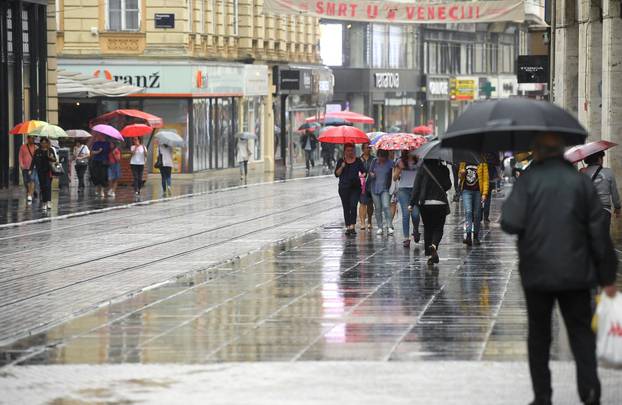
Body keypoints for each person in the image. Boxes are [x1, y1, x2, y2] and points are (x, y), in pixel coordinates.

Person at [501, 133, 618, 405]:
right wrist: (608, 276)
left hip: (537, 273)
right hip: (577, 273)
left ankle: (542, 395)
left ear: (538, 152)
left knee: (539, 335)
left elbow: (510, 222)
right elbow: (598, 233)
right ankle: (589, 392)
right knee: (581, 334)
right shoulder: (579, 182)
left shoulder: (528, 181)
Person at [409, 159, 452, 265]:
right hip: (440, 202)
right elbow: (448, 186)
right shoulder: (444, 169)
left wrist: (412, 203)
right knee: (438, 228)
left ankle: (430, 254)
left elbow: (416, 187)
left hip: (425, 203)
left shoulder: (422, 169)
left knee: (428, 228)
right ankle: (434, 245)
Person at [581, 151, 621, 230]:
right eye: (602, 158)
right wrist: (617, 207)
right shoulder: (608, 172)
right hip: (604, 209)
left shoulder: (583, 172)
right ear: (599, 159)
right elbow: (614, 192)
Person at [335, 143, 366, 235]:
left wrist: (362, 175)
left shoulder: (358, 161)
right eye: (348, 150)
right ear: (344, 151)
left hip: (355, 188)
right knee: (346, 207)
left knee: (353, 205)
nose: (350, 152)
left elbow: (364, 172)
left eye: (351, 150)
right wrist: (342, 166)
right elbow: (337, 174)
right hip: (343, 188)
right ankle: (348, 226)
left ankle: (352, 225)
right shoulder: (341, 161)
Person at [458, 159, 489, 246]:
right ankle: (468, 236)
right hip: (466, 191)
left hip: (478, 192)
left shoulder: (482, 162)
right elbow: (459, 177)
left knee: (477, 214)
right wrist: (462, 174)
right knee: (468, 212)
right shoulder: (463, 162)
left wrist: (484, 193)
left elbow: (485, 179)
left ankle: (475, 236)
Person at [393, 150, 420, 247]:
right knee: (406, 214)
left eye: (412, 149)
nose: (410, 151)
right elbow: (394, 178)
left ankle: (416, 230)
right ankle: (406, 238)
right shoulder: (400, 161)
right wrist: (399, 169)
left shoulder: (418, 161)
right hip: (403, 190)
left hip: (415, 191)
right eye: (409, 150)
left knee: (416, 214)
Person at [369, 149, 394, 235]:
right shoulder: (374, 162)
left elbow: (394, 174)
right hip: (374, 188)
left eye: (382, 157)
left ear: (386, 156)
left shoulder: (390, 163)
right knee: (378, 208)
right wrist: (372, 174)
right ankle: (380, 227)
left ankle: (389, 226)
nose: (380, 159)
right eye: (379, 156)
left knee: (386, 206)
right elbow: (370, 172)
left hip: (385, 188)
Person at [30, 137, 57, 211]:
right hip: (40, 171)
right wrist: (30, 169)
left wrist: (51, 157)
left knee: (48, 186)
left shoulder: (50, 150)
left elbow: (55, 159)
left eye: (45, 143)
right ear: (40, 143)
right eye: (42, 143)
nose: (43, 144)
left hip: (49, 171)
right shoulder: (37, 151)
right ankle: (44, 202)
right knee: (43, 187)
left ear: (47, 143)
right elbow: (33, 161)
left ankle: (49, 202)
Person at [358, 143, 375, 231]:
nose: (368, 149)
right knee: (362, 203)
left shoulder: (374, 159)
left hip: (371, 184)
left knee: (370, 205)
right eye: (366, 148)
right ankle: (362, 222)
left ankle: (370, 220)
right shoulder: (359, 160)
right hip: (361, 185)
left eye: (369, 148)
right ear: (362, 149)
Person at [90, 134, 110, 198]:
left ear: (103, 136)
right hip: (96, 161)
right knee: (96, 175)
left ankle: (102, 190)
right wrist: (98, 151)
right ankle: (98, 188)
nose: (99, 137)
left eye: (100, 136)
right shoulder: (96, 143)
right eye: (98, 136)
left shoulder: (107, 144)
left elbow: (110, 151)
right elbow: (92, 152)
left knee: (103, 176)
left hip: (104, 161)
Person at [19, 136, 38, 203]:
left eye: (33, 139)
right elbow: (20, 156)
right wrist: (21, 164)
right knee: (26, 181)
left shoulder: (36, 147)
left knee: (32, 180)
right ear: (28, 139)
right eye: (31, 138)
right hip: (25, 167)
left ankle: (29, 194)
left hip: (33, 167)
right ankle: (31, 190)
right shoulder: (23, 147)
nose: (33, 140)